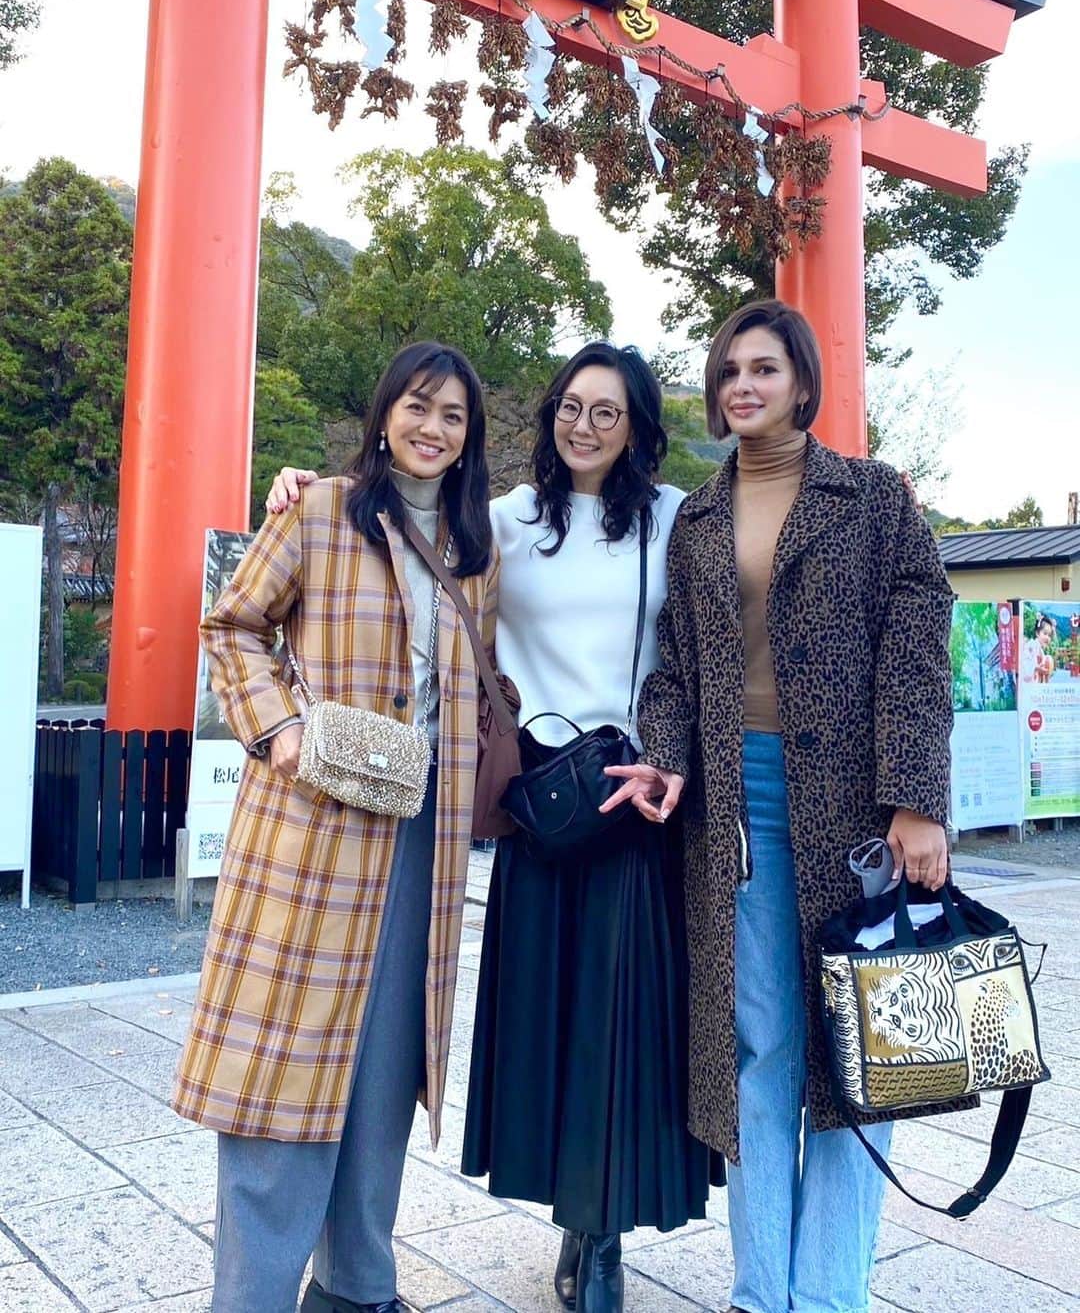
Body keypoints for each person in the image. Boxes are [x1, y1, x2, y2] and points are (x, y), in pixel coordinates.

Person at [267, 342, 721, 1313]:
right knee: (545, 1024)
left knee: (618, 1031)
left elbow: (710, 632)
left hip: (629, 794)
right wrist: (307, 483)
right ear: (550, 415)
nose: (584, 426)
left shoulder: (678, 517)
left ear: (638, 428)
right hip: (534, 801)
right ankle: (567, 1210)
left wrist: (874, 488)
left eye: (608, 412)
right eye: (571, 406)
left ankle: (600, 1237)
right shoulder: (505, 517)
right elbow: (403, 517)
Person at [604, 300, 967, 1313]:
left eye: (763, 368)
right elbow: (674, 670)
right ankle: (763, 1292)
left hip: (859, 811)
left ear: (802, 382)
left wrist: (916, 801)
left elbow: (917, 651)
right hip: (737, 808)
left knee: (864, 1053)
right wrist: (667, 758)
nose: (743, 386)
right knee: (759, 1051)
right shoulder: (697, 518)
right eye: (729, 371)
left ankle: (830, 1294)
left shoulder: (875, 496)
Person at [173, 341, 499, 1313]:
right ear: (385, 413)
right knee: (282, 1064)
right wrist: (277, 729)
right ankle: (252, 1298)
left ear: (471, 434)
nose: (433, 428)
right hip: (312, 827)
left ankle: (357, 1287)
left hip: (423, 836)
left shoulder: (475, 549)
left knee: (384, 1068)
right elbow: (234, 624)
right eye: (418, 406)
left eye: (453, 415)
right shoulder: (319, 510)